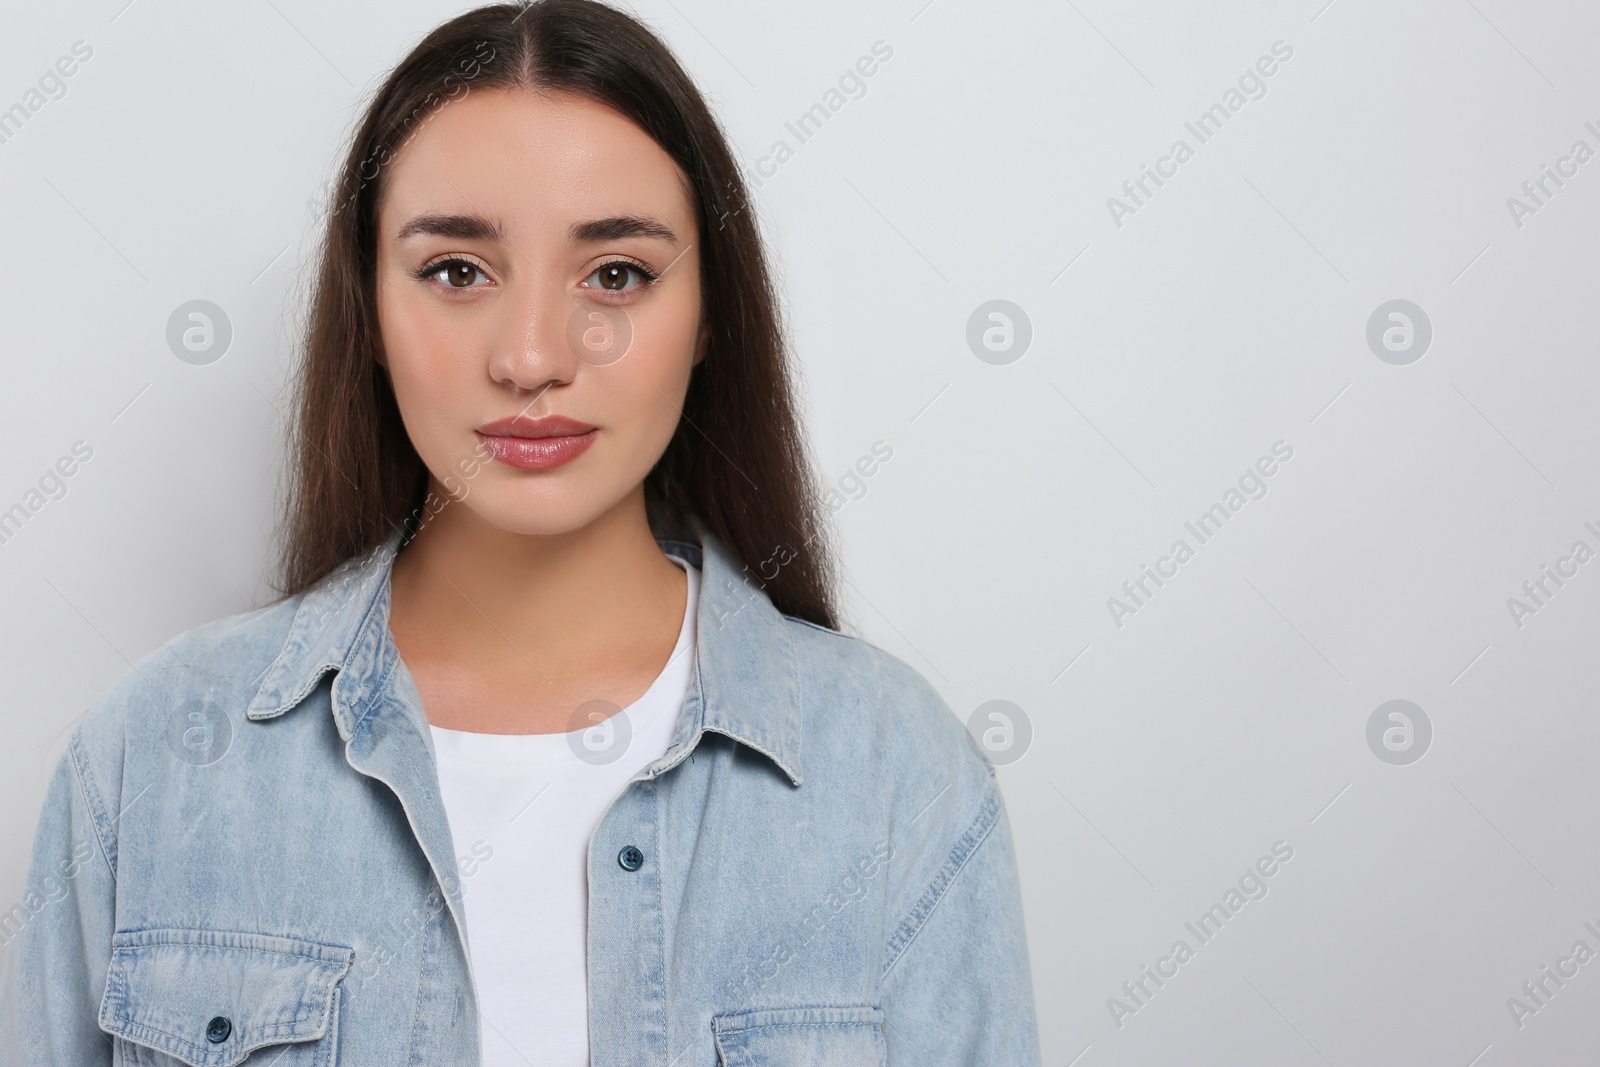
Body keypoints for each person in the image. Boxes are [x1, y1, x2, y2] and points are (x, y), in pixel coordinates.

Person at [0, 1, 1040, 1063]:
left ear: (709, 313)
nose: (534, 355)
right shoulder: (152, 757)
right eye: (457, 270)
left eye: (616, 273)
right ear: (368, 303)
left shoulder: (896, 774)